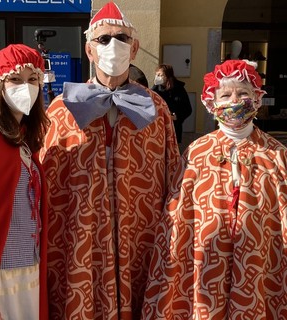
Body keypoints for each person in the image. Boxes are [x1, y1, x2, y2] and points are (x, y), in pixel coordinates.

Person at [39, 2, 180, 319]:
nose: (112, 45)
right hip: (81, 243)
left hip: (139, 239)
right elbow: (47, 184)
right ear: (89, 50)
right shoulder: (62, 109)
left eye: (121, 38)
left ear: (134, 49)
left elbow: (173, 178)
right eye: (103, 39)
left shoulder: (155, 109)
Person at [141, 59, 287, 319]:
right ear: (212, 102)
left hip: (258, 266)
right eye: (226, 94)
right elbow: (177, 217)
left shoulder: (277, 155)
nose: (235, 100)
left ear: (257, 98)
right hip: (205, 266)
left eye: (243, 93)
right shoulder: (196, 153)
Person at [0, 44, 50, 320]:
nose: (25, 87)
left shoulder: (25, 140)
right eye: (15, 79)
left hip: (30, 271)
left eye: (32, 80)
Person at [152, 64, 192, 143]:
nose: (157, 77)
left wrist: (177, 117)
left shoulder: (179, 89)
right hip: (159, 129)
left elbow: (188, 109)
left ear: (167, 76)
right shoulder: (155, 89)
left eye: (160, 75)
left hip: (173, 128)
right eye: (156, 75)